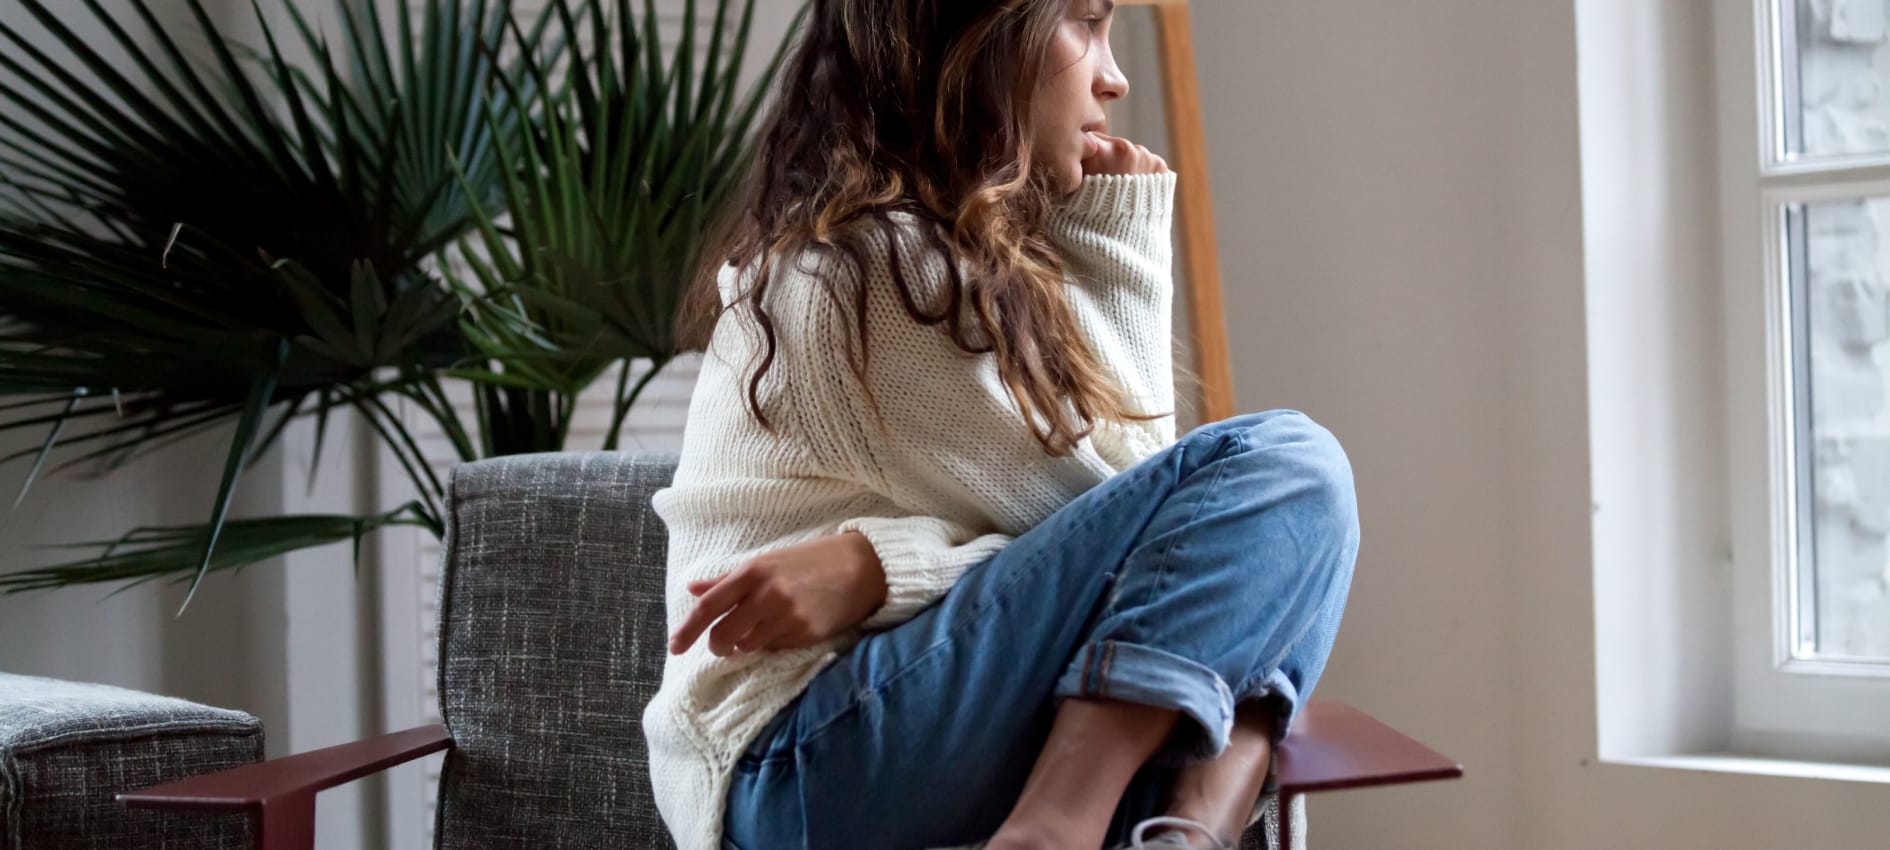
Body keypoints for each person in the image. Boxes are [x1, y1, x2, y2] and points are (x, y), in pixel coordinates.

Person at [643, 1, 1360, 848]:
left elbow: (1153, 557)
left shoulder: (945, 260)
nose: (1114, 76)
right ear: (974, 40)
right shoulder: (866, 272)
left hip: (864, 748)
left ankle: (1184, 834)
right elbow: (1154, 523)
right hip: (800, 761)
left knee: (1258, 581)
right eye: (1086, 23)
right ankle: (1056, 830)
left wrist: (878, 569)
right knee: (1291, 469)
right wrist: (1123, 232)